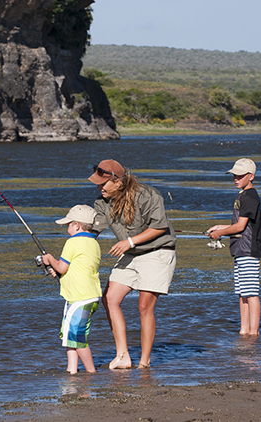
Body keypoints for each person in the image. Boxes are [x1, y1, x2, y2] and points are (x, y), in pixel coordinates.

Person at [88, 159, 176, 369]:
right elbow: (93, 232)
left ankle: (144, 363)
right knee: (109, 298)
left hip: (158, 251)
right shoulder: (102, 202)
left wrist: (128, 242)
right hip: (131, 253)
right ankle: (122, 356)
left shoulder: (148, 195)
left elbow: (159, 228)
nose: (99, 188)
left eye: (103, 184)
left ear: (117, 182)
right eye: (98, 184)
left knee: (144, 306)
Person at [206, 157, 261, 336]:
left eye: (240, 176)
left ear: (251, 176)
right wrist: (219, 228)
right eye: (234, 176)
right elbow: (241, 225)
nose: (236, 179)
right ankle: (244, 330)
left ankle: (253, 332)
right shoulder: (243, 196)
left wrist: (220, 234)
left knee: (251, 292)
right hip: (240, 249)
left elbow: (239, 227)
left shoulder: (249, 197)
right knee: (242, 292)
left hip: (248, 250)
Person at [41, 204, 103, 374]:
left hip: (79, 297)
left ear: (76, 225)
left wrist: (50, 260)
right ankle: (72, 370)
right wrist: (59, 272)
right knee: (70, 335)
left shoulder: (72, 242)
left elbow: (62, 267)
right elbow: (76, 268)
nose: (67, 227)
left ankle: (91, 372)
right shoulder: (94, 243)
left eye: (68, 224)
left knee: (77, 337)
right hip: (89, 296)